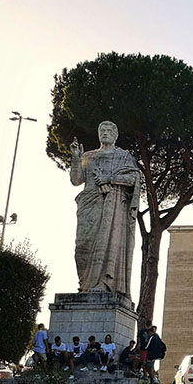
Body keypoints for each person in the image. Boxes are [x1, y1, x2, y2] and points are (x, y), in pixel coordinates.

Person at [69, 120, 140, 296]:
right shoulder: (89, 156)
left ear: (116, 135)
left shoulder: (123, 157)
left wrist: (109, 178)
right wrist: (76, 158)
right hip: (89, 205)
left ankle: (103, 283)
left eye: (109, 130)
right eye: (102, 129)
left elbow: (133, 179)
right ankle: (84, 284)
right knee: (81, 247)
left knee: (106, 244)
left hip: (112, 208)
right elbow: (76, 180)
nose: (105, 132)